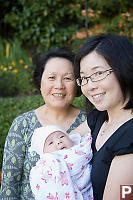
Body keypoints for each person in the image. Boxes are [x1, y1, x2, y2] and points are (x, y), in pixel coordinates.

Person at [0, 48, 90, 199]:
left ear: (77, 84)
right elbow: (10, 186)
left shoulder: (91, 121)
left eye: (67, 78)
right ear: (40, 81)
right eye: (51, 77)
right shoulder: (22, 125)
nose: (59, 85)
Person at [74, 34, 133, 200]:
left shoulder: (129, 138)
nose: (90, 86)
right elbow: (63, 144)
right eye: (84, 78)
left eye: (98, 73)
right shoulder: (99, 118)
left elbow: (123, 194)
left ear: (124, 68)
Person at [29, 125, 93, 200]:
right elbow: (40, 182)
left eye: (62, 136)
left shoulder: (83, 149)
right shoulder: (45, 165)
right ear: (44, 153)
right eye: (51, 143)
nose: (59, 141)